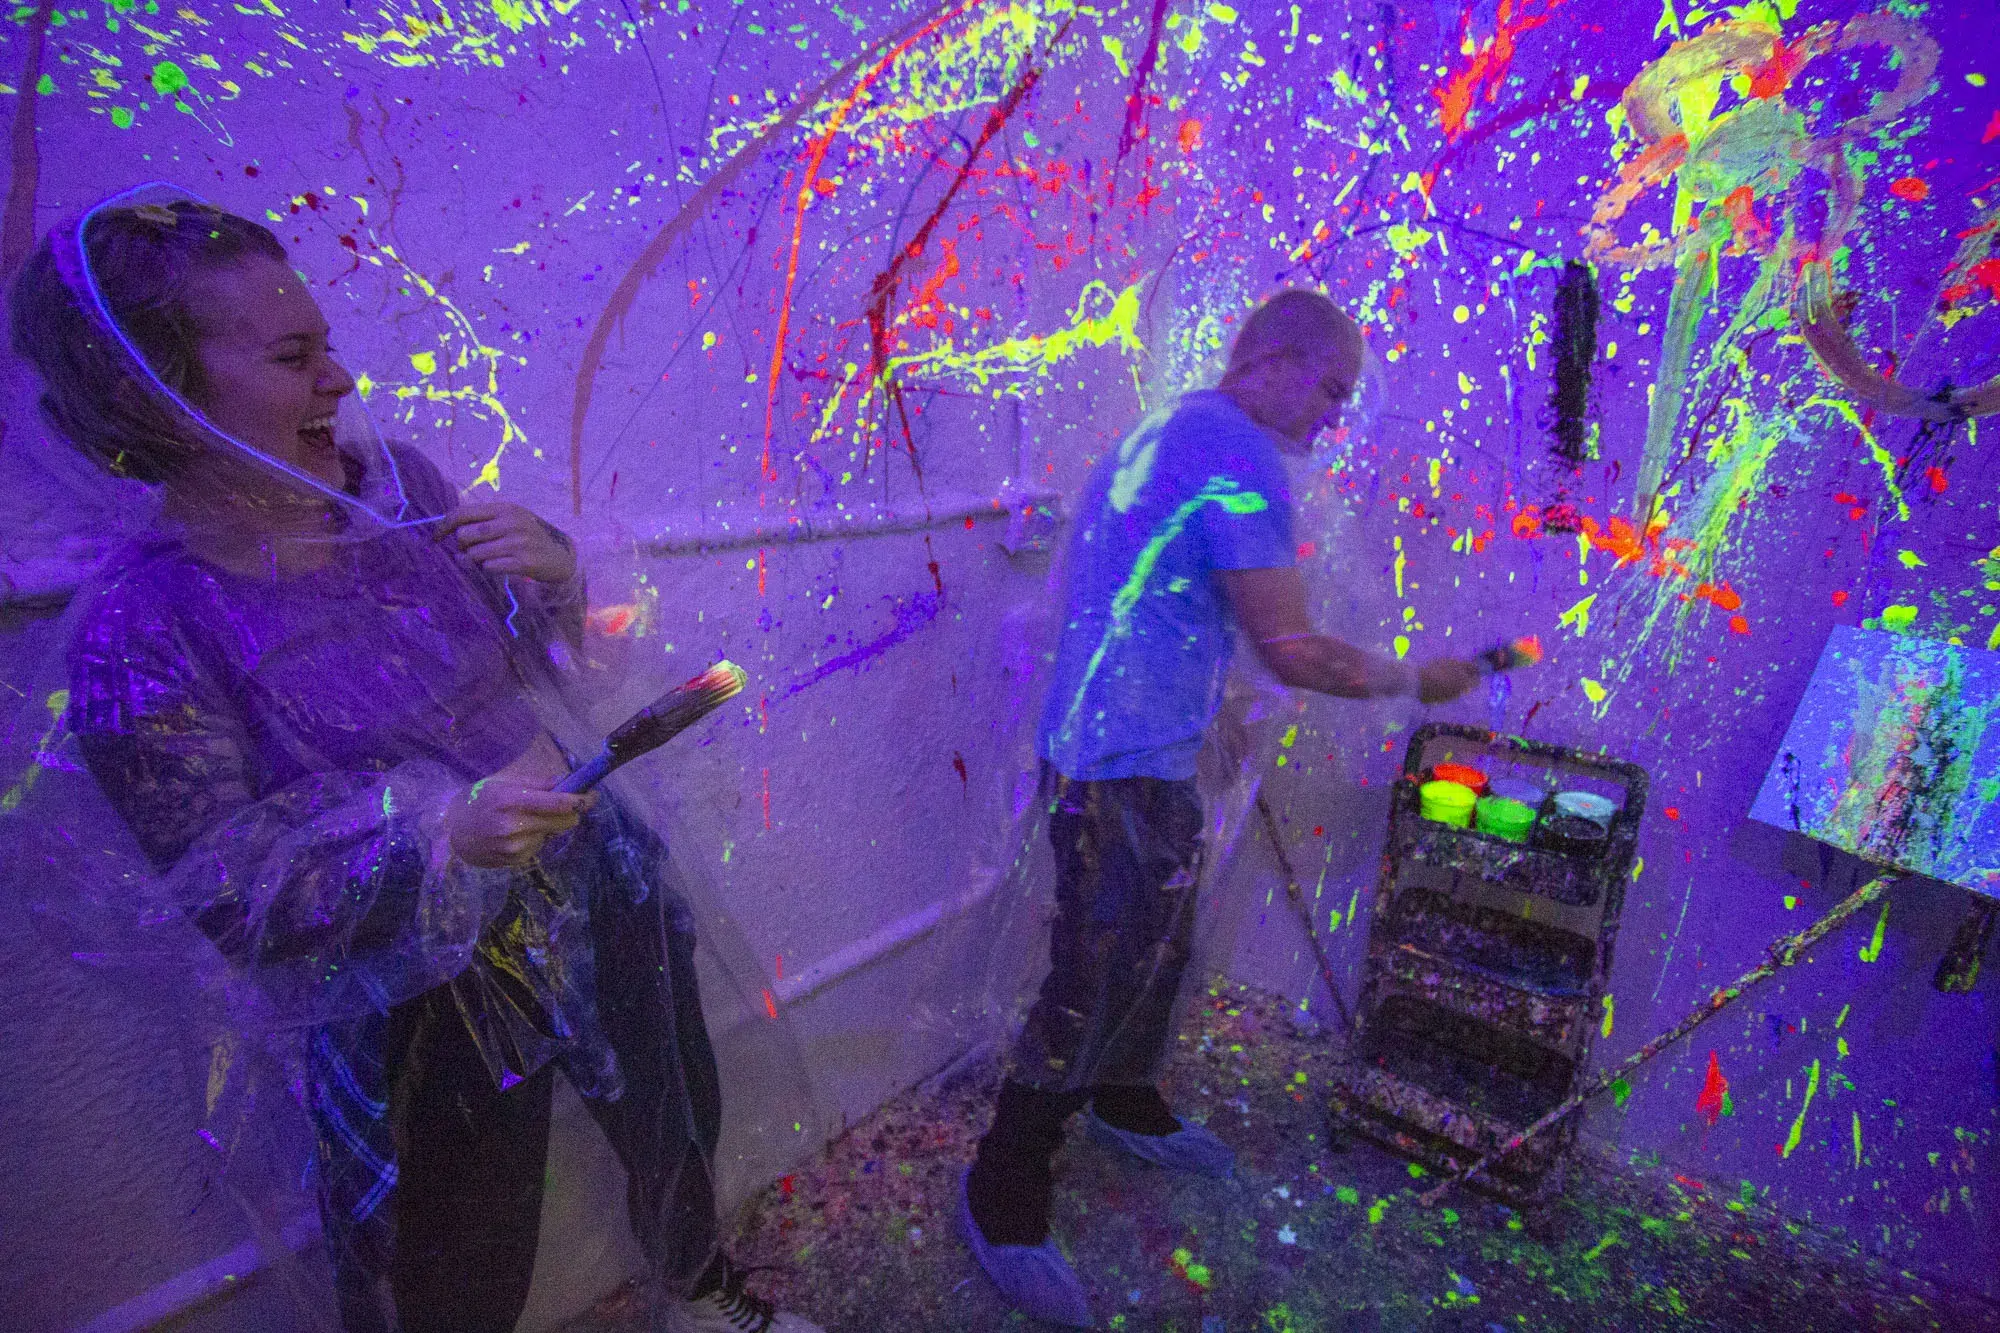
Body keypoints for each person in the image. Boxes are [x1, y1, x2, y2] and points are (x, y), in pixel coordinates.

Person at [8, 195, 820, 1333]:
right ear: (152, 391)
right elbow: (227, 891)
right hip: (417, 983)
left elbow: (549, 669)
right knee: (454, 1240)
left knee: (672, 1097)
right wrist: (435, 839)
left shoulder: (401, 494)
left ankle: (698, 1288)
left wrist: (553, 575)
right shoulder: (144, 631)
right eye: (295, 356)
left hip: (597, 868)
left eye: (327, 345)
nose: (338, 380)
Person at [956, 289, 1484, 1325]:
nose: (1333, 415)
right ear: (1276, 360)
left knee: (1155, 943)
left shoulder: (1170, 429)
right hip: (1119, 758)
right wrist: (1413, 678)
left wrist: (1204, 707)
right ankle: (1002, 1187)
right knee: (1093, 970)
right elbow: (1289, 646)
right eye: (1331, 390)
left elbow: (1156, 597)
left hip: (1120, 742)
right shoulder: (1235, 456)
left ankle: (1120, 1098)